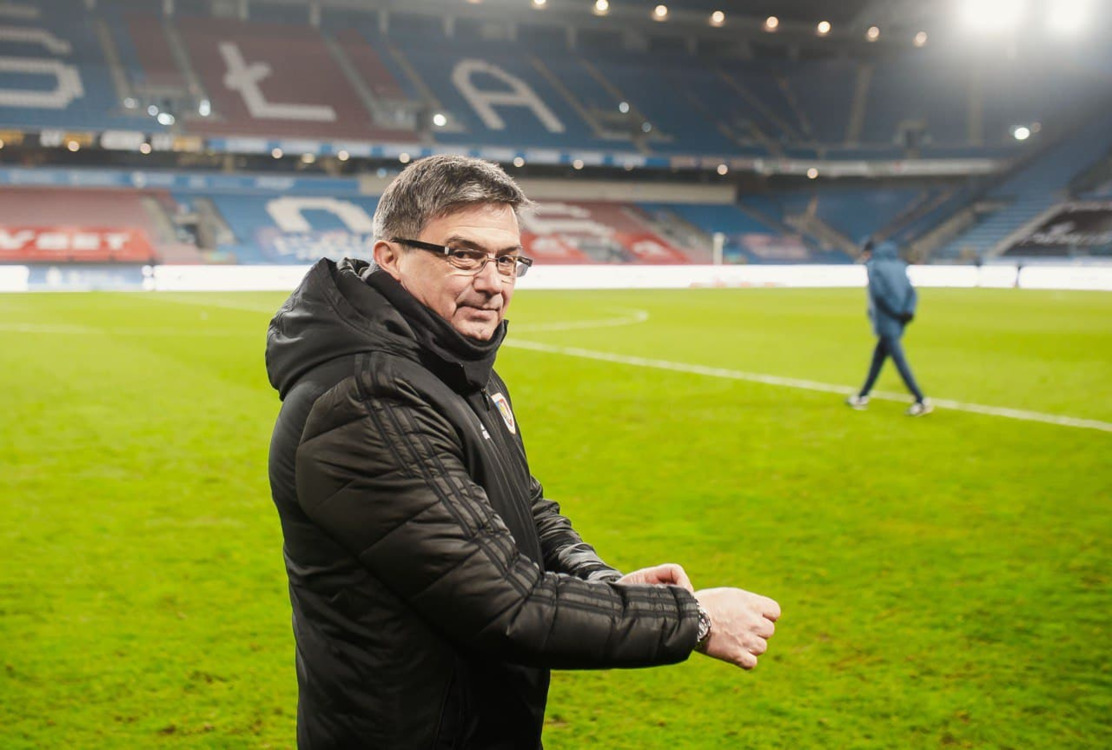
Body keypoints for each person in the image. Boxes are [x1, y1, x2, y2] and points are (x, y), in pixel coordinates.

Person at [266, 155, 781, 749]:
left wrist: (603, 580)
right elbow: (505, 603)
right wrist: (694, 620)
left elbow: (525, 508)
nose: (494, 283)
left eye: (508, 260)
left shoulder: (453, 366)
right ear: (390, 257)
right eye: (464, 255)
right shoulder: (367, 403)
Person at [845, 239, 933, 416]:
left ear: (869, 252)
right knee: (878, 358)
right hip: (900, 319)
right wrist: (907, 312)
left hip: (887, 320)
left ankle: (921, 400)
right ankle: (862, 396)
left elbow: (879, 295)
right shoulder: (900, 265)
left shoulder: (874, 267)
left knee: (899, 360)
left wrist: (895, 313)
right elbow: (912, 292)